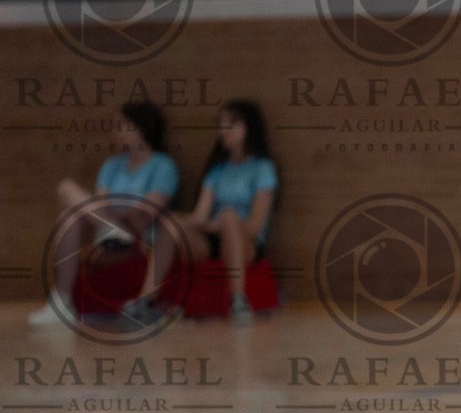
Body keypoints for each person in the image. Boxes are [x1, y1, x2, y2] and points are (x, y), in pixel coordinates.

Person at [125, 98, 276, 326]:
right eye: (221, 124)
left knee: (228, 215)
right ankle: (146, 301)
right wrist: (176, 220)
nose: (224, 129)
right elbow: (200, 217)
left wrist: (225, 222)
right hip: (212, 237)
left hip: (245, 240)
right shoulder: (217, 170)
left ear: (250, 127)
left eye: (233, 123)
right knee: (172, 223)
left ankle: (238, 301)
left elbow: (255, 226)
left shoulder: (262, 169)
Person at [30, 102, 178, 326]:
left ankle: (111, 229)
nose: (116, 132)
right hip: (106, 228)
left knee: (85, 212)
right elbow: (101, 202)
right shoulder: (112, 165)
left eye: (121, 126)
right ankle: (62, 302)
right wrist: (108, 215)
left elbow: (149, 209)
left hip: (139, 231)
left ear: (141, 128)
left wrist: (117, 212)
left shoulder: (163, 165)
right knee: (67, 207)